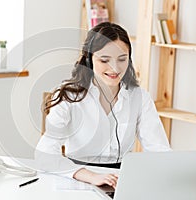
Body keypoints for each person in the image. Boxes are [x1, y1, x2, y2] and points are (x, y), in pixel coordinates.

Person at [35, 22, 171, 189]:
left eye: (122, 59)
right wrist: (91, 177)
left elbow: (159, 151)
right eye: (104, 60)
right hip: (77, 181)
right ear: (89, 59)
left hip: (120, 183)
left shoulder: (139, 97)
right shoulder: (69, 97)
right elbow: (44, 155)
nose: (114, 68)